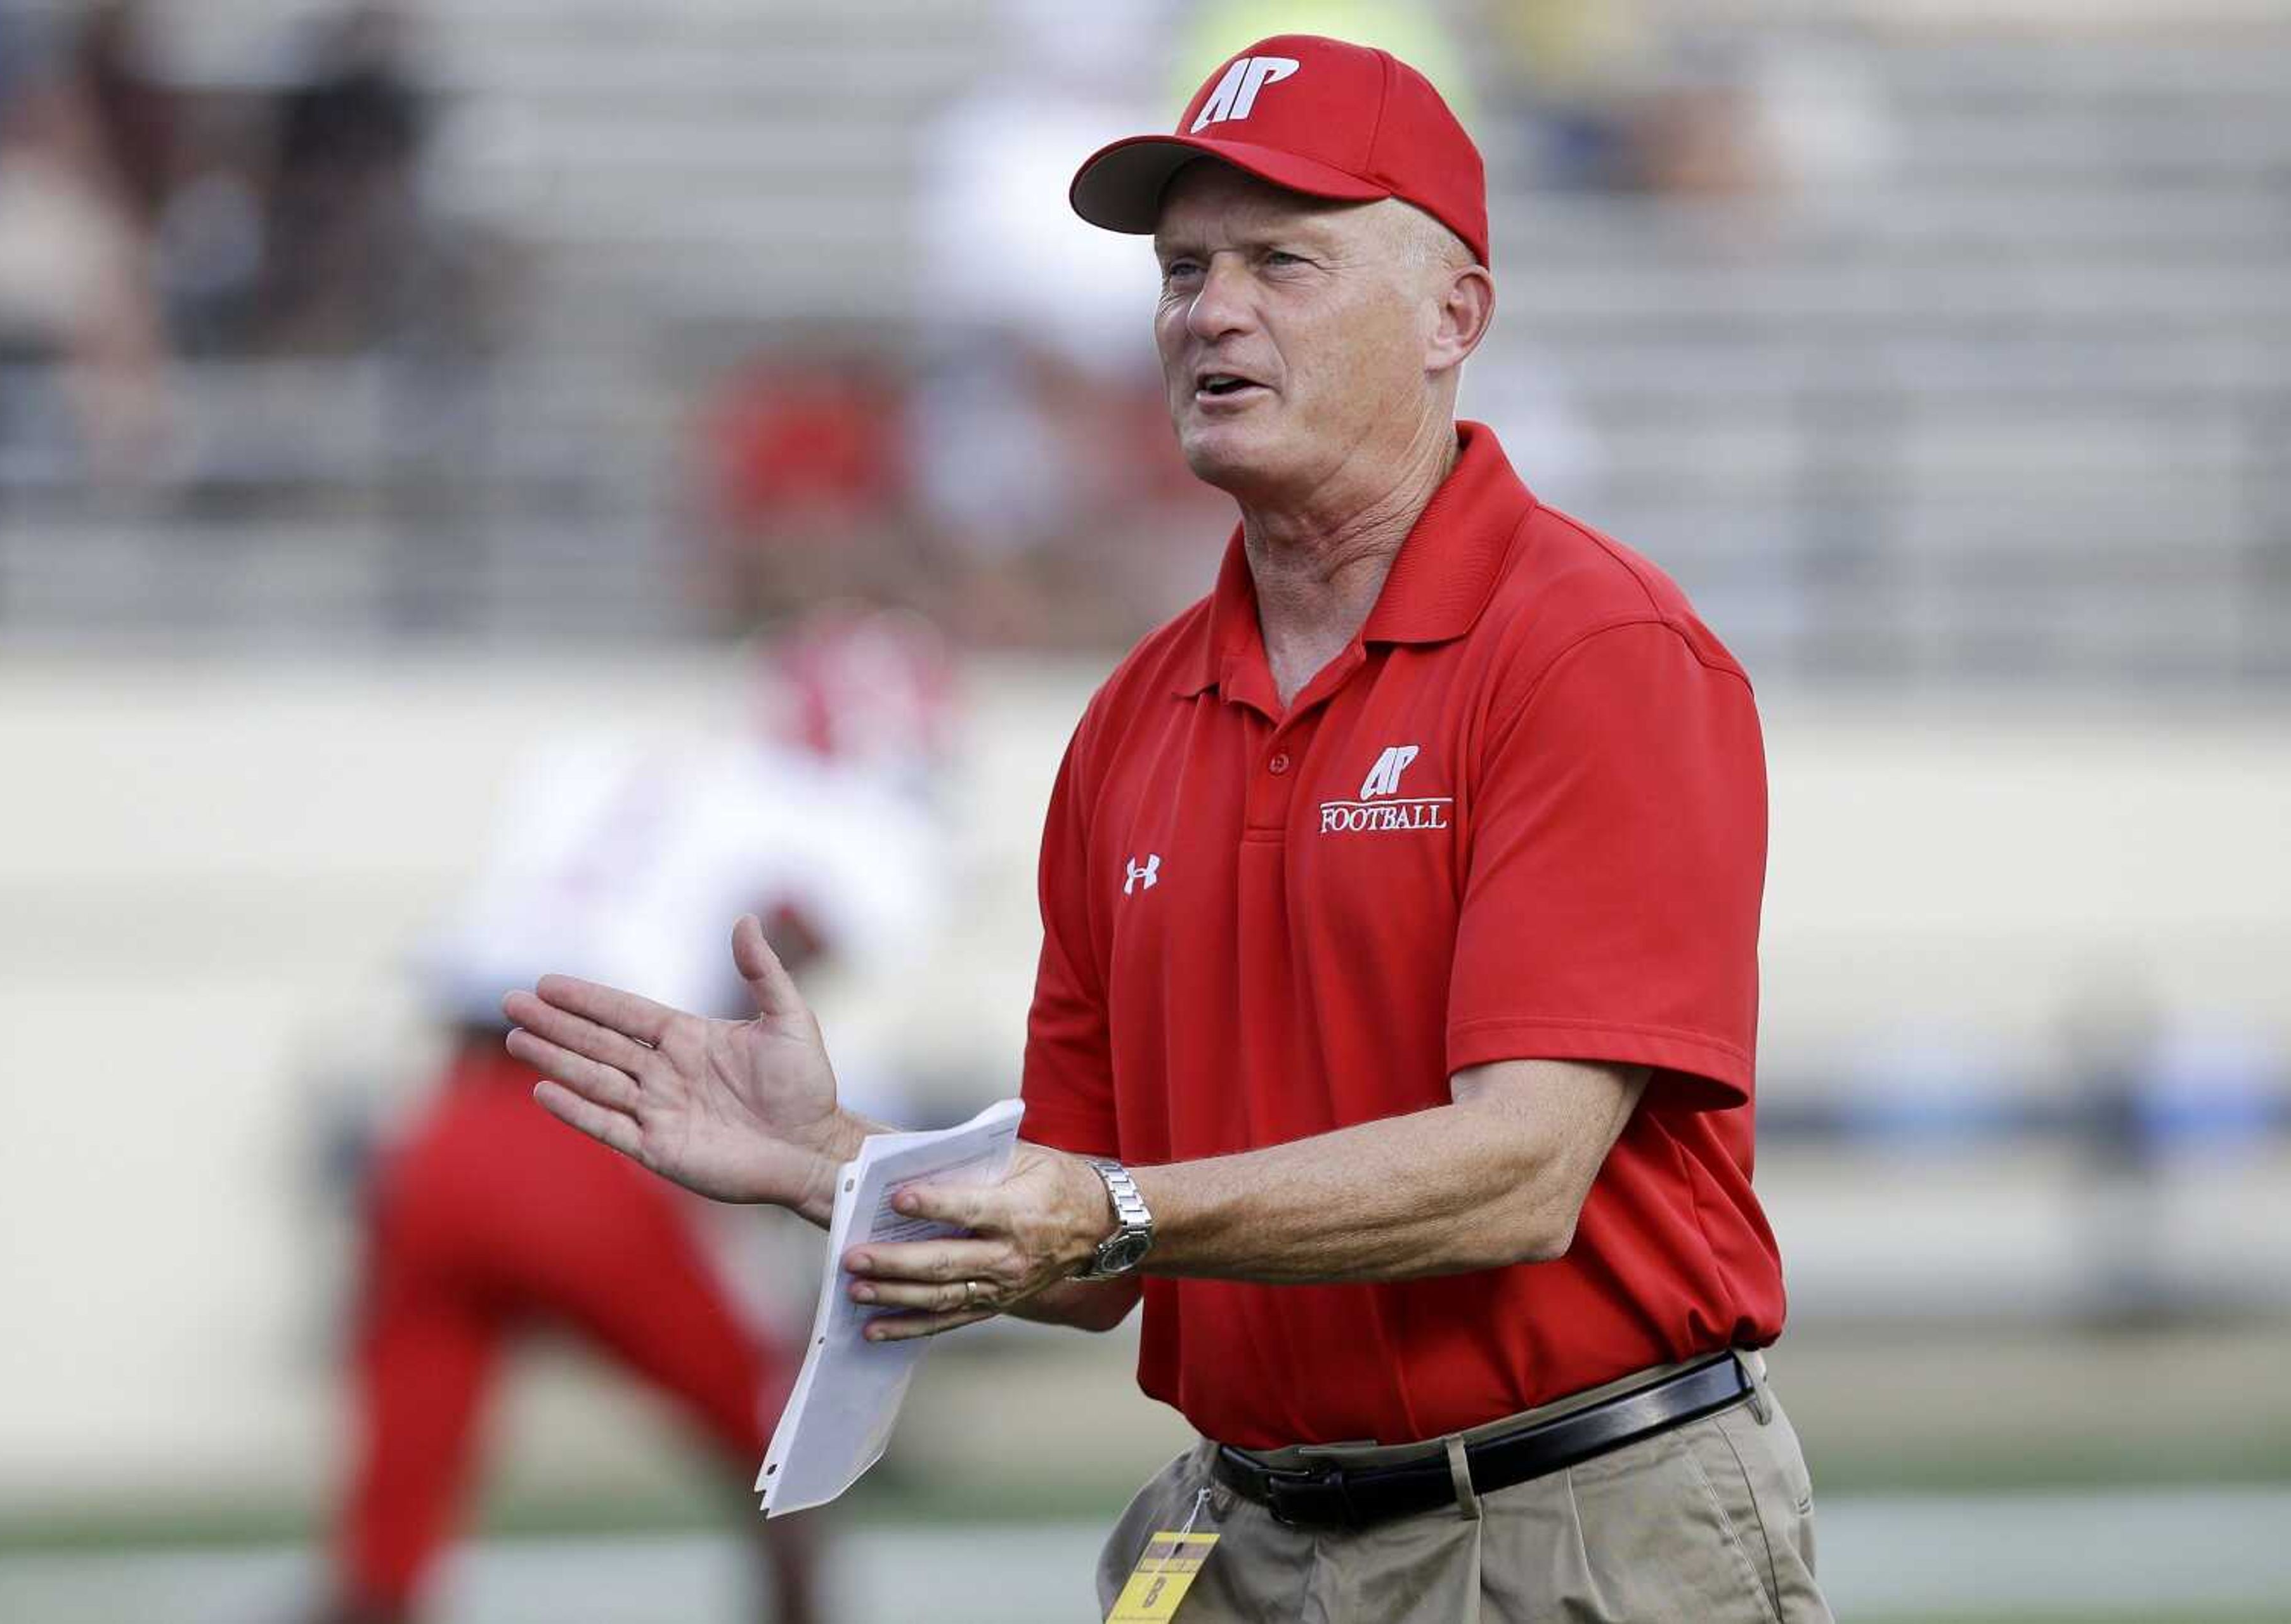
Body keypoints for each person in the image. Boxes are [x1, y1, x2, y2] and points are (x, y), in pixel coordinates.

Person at [507, 36, 1830, 1623]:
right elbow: (1086, 1239)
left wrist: (1121, 1208)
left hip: (1564, 1527)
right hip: (1242, 1527)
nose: (1211, 309)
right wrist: (840, 1161)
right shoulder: (1136, 720)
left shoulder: (1594, 655)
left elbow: (1518, 1174)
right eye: (1184, 268)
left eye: (1283, 261)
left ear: (1452, 317)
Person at [312, 609, 955, 1624]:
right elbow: (780, 967)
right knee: (783, 1442)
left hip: (442, 1130)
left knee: (386, 1547)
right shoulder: (836, 818)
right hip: (584, 1129)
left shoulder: (610, 760)